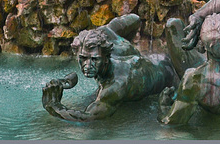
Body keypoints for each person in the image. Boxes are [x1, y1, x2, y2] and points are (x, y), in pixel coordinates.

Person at [42, 14, 178, 121]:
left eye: (95, 60)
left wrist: (54, 106)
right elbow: (135, 19)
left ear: (106, 57)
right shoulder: (106, 37)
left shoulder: (116, 85)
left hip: (173, 74)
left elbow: (88, 118)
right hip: (154, 61)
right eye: (83, 58)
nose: (87, 66)